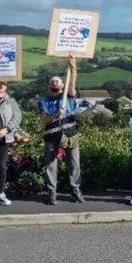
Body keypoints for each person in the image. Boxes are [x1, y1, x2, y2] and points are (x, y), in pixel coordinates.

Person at [39, 55, 84, 205]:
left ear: (62, 84)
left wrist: (73, 66)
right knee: (50, 165)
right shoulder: (44, 101)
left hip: (70, 135)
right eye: (52, 81)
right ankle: (52, 193)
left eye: (57, 81)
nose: (54, 82)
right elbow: (44, 120)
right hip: (52, 137)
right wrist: (56, 114)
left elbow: (73, 81)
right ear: (49, 85)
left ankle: (75, 191)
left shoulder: (69, 97)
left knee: (74, 164)